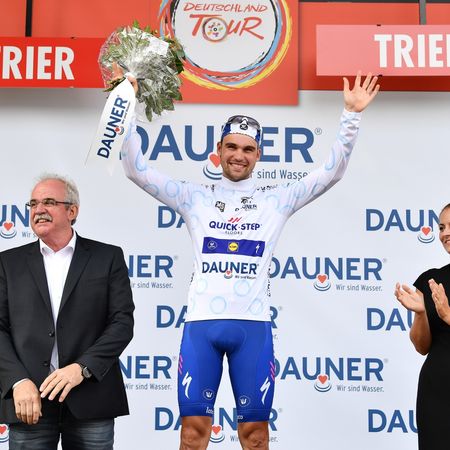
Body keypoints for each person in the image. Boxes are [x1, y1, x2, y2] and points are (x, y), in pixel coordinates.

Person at [121, 71, 379, 449]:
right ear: (218, 150)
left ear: (258, 154)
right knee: (192, 434)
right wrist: (125, 105)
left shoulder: (276, 200)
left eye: (247, 149)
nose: (238, 155)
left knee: (255, 436)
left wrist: (351, 115)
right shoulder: (193, 197)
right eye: (231, 147)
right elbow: (135, 169)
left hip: (253, 329)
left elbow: (331, 172)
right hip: (201, 327)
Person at [0, 174, 134, 450]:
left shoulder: (107, 257)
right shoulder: (7, 263)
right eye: (33, 204)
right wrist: (17, 381)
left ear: (72, 211)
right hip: (29, 400)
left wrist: (82, 368)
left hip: (91, 396)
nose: (38, 210)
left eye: (49, 202)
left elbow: (121, 323)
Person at [395, 203, 450, 450]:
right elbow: (421, 346)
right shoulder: (431, 280)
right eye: (441, 227)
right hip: (437, 391)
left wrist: (448, 315)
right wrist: (421, 313)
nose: (445, 233)